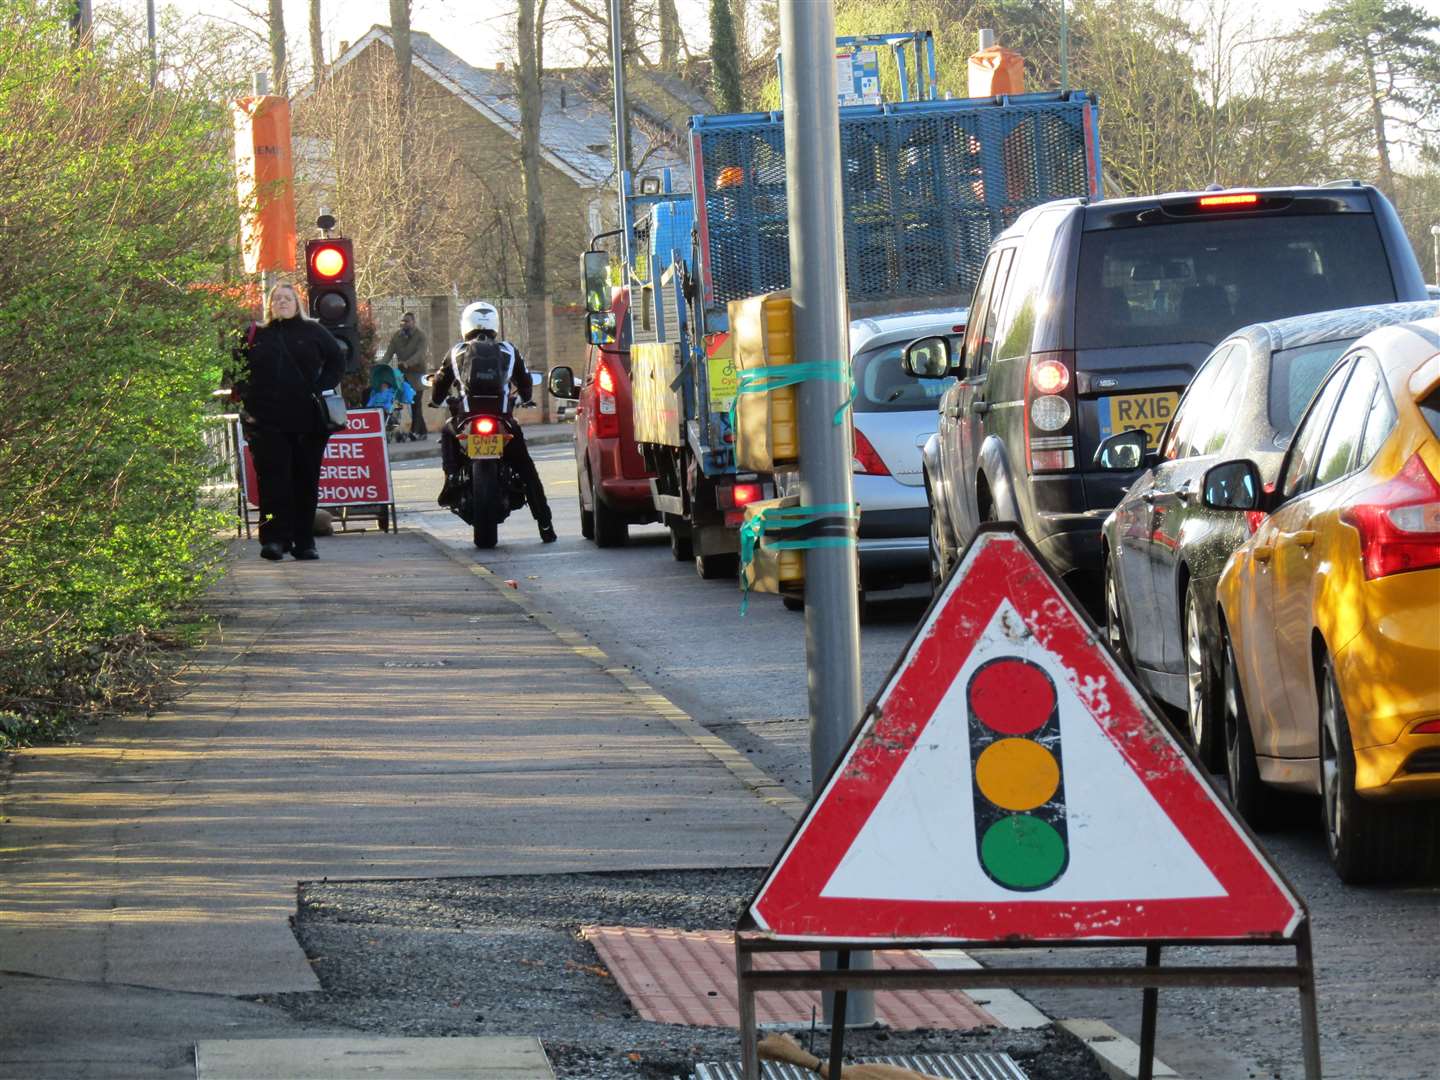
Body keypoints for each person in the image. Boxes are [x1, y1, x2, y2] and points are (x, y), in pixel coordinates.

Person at [233, 282, 345, 561]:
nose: (282, 302)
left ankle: (304, 541)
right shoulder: (255, 334)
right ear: (269, 305)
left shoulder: (313, 331)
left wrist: (321, 386)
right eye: (277, 299)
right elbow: (236, 369)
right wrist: (248, 400)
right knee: (272, 484)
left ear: (297, 303)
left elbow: (337, 361)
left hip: (307, 423)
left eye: (287, 298)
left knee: (305, 482)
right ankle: (273, 539)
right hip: (267, 423)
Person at [430, 301, 556, 544]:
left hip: (466, 419)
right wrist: (527, 398)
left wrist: (437, 400)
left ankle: (451, 477)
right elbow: (526, 382)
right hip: (502, 420)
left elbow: (439, 384)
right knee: (526, 469)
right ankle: (545, 524)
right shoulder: (509, 350)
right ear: (495, 324)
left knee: (447, 432)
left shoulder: (456, 351)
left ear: (466, 324)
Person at [382, 311, 429, 439]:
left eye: (407, 321)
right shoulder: (397, 336)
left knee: (416, 402)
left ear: (413, 322)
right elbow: (388, 353)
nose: (404, 323)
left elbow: (420, 354)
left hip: (418, 373)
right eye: (402, 321)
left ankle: (415, 431)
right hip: (402, 373)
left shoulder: (421, 336)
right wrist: (381, 365)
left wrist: (408, 363)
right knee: (402, 402)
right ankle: (422, 432)